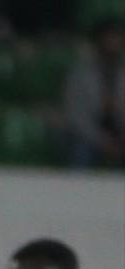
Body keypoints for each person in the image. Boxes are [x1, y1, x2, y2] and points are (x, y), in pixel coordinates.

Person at [63, 17, 125, 170]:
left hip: (121, 134)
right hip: (90, 136)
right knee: (81, 150)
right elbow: (76, 116)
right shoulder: (81, 75)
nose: (113, 44)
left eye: (116, 39)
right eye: (109, 40)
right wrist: (101, 140)